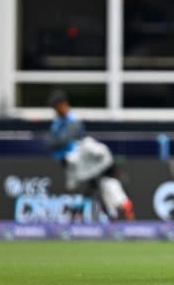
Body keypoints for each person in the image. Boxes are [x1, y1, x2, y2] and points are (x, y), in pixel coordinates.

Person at [46, 90, 134, 221]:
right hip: (70, 164)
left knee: (102, 184)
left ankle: (115, 211)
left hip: (83, 162)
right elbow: (51, 143)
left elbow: (63, 140)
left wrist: (59, 141)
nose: (55, 109)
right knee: (96, 187)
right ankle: (105, 212)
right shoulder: (57, 123)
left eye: (56, 105)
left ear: (63, 104)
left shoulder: (72, 121)